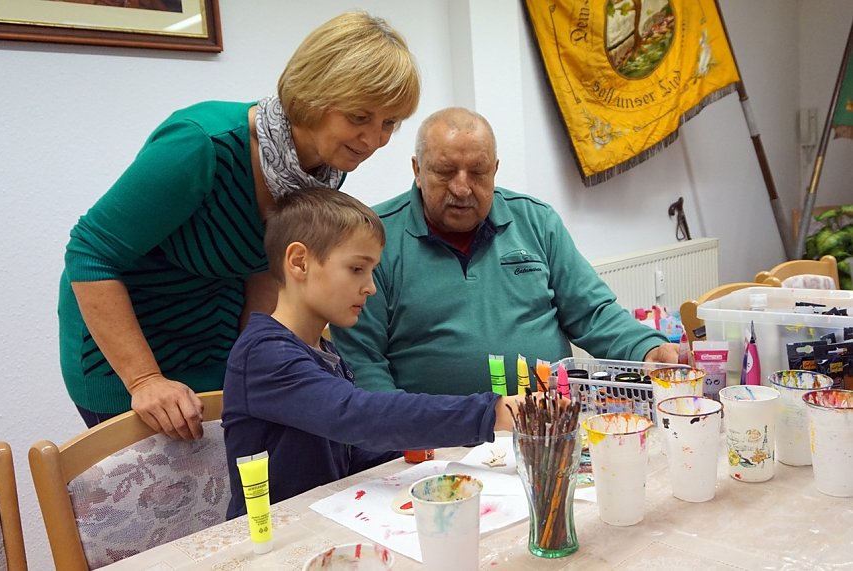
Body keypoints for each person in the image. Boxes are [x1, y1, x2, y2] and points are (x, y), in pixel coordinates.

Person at [58, 11, 420, 440]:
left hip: (213, 338)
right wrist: (144, 381)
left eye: (388, 124)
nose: (373, 140)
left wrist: (261, 362)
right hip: (127, 355)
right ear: (314, 94)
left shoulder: (325, 165)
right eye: (360, 117)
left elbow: (265, 268)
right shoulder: (201, 146)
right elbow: (90, 253)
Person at [330, 107, 678, 396]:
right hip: (437, 444)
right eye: (445, 171)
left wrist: (647, 348)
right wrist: (405, 432)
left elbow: (592, 312)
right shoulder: (371, 239)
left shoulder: (535, 220)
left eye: (478, 172)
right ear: (418, 170)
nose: (462, 188)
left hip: (547, 424)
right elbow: (363, 363)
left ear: (495, 170)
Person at [221, 188, 523, 519]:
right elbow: (356, 416)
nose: (371, 287)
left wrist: (426, 443)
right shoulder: (264, 355)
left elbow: (353, 451)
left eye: (372, 270)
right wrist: (491, 411)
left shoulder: (323, 351)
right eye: (356, 269)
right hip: (270, 541)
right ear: (299, 262)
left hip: (326, 518)